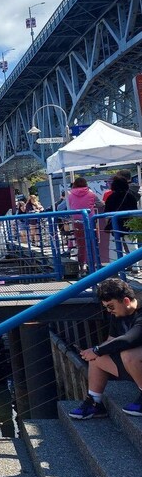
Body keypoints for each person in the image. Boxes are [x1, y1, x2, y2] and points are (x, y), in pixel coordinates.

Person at [69, 278, 142, 419]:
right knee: (97, 357)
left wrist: (96, 349)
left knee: (128, 354)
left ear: (126, 301)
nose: (109, 311)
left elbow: (130, 339)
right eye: (107, 307)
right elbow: (111, 340)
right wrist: (92, 352)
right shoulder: (119, 313)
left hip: (134, 360)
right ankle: (94, 403)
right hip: (134, 366)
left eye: (111, 306)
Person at [67, 177, 103, 274]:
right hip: (90, 220)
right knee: (92, 244)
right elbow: (100, 204)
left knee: (81, 245)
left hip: (77, 221)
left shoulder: (70, 194)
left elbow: (67, 207)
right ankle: (92, 265)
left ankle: (82, 266)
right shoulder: (91, 193)